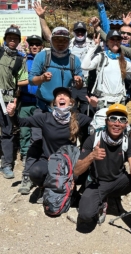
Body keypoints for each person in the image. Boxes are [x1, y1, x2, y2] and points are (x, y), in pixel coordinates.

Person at [74, 103, 131, 239]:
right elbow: (77, 170)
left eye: (122, 120)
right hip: (97, 183)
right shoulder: (93, 139)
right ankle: (102, 201)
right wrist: (91, 156)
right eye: (113, 119)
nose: (117, 123)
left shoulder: (128, 141)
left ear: (126, 124)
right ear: (106, 121)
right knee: (85, 216)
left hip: (118, 181)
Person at [7, 87, 91, 202]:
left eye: (65, 95)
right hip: (48, 159)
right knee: (35, 172)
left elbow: (97, 122)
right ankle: (45, 188)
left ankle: (69, 189)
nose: (62, 97)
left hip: (68, 162)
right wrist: (12, 114)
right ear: (54, 102)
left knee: (85, 171)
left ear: (71, 102)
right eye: (58, 96)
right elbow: (22, 122)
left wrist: (94, 107)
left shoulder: (78, 118)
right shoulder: (45, 118)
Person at [33, 1, 94, 114]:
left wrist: (79, 81)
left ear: (68, 42)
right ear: (52, 41)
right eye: (57, 40)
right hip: (43, 106)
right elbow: (31, 81)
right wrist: (41, 78)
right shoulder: (42, 56)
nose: (60, 43)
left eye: (64, 40)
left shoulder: (74, 59)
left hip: (64, 108)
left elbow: (79, 86)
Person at [81, 30, 131, 109]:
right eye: (112, 39)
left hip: (120, 102)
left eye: (118, 40)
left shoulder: (123, 61)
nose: (115, 42)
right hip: (103, 102)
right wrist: (93, 47)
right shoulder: (101, 57)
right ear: (107, 42)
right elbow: (85, 66)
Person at [0, 27, 28, 179]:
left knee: (7, 132)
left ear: (18, 41)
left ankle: (6, 164)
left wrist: (14, 101)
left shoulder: (20, 59)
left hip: (7, 100)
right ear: (5, 39)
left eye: (15, 38)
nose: (12, 40)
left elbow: (21, 82)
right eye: (9, 37)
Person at [18, 35, 44, 194]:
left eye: (37, 44)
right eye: (32, 44)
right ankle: (27, 172)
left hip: (43, 104)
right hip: (27, 101)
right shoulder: (23, 60)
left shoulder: (46, 60)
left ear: (42, 46)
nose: (34, 46)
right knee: (27, 134)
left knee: (41, 138)